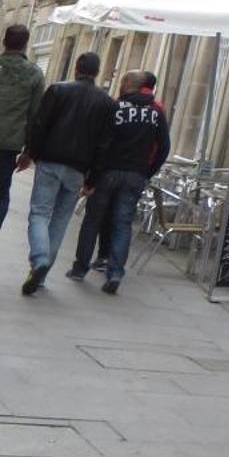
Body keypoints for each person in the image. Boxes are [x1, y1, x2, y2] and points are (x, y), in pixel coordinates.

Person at [67, 71, 170, 292]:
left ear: (126, 85)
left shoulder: (114, 108)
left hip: (108, 172)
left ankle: (80, 267)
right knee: (122, 224)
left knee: (93, 220)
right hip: (135, 174)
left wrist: (91, 177)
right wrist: (147, 172)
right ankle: (115, 273)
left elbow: (100, 144)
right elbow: (164, 147)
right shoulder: (155, 113)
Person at [23, 52, 114, 295]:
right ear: (97, 72)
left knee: (40, 212)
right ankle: (41, 275)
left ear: (76, 68)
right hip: (79, 169)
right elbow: (104, 144)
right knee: (61, 219)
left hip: (51, 160)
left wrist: (32, 152)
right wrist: (93, 178)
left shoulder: (57, 91)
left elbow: (40, 124)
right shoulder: (106, 103)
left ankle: (40, 259)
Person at [0, 25, 43, 234]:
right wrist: (29, 152)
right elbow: (35, 116)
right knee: (1, 193)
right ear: (26, 45)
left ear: (4, 41)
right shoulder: (34, 74)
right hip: (8, 145)